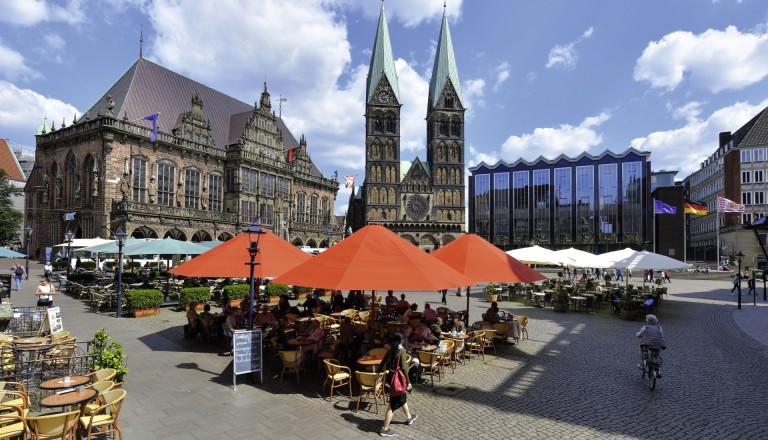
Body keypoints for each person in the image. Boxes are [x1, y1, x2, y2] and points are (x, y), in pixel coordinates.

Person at [378, 333, 417, 437]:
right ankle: (384, 429)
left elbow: (383, 361)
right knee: (392, 405)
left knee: (402, 397)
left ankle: (409, 417)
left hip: (391, 378)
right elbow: (404, 368)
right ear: (401, 341)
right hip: (398, 380)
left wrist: (378, 372)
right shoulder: (402, 350)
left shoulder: (391, 349)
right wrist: (408, 382)